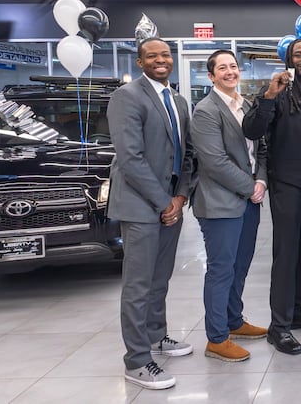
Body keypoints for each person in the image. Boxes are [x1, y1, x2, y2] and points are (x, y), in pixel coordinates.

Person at [108, 37, 196, 390]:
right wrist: (163, 203)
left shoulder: (177, 99)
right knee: (138, 285)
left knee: (160, 278)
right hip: (141, 205)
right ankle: (137, 360)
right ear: (140, 62)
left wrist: (180, 196)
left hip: (169, 203)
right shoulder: (126, 97)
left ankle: (158, 336)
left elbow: (186, 153)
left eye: (165, 55)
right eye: (152, 56)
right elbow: (131, 159)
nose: (160, 60)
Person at [242, 38, 301, 356]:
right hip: (285, 184)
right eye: (299, 54)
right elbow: (252, 130)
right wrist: (268, 96)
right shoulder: (277, 92)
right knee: (285, 255)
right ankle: (278, 326)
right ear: (288, 58)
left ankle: (299, 311)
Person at [191, 50, 269, 362]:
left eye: (233, 66)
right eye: (222, 68)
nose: (229, 72)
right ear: (211, 76)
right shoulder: (206, 110)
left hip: (250, 198)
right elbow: (214, 162)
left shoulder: (246, 104)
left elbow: (261, 148)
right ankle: (217, 337)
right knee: (221, 269)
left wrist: (261, 179)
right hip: (221, 204)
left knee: (240, 266)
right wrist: (250, 186)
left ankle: (234, 320)